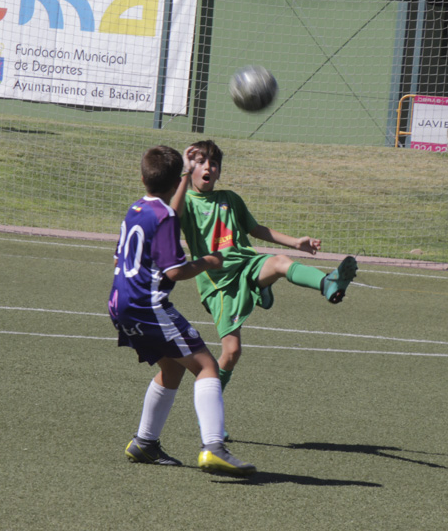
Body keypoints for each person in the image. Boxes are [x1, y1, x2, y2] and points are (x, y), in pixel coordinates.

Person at [108, 145, 255, 477]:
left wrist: (185, 174)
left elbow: (121, 256)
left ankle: (145, 442)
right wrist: (209, 261)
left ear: (143, 176)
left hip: (120, 302)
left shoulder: (136, 209)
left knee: (171, 369)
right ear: (178, 183)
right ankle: (214, 448)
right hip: (148, 305)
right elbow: (175, 271)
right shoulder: (165, 219)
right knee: (206, 366)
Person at [169, 140, 357, 396]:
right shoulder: (188, 201)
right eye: (201, 162)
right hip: (219, 284)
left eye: (213, 163)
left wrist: (296, 242)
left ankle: (327, 283)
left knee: (280, 261)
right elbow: (171, 215)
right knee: (232, 352)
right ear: (192, 168)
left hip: (246, 263)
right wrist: (183, 170)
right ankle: (212, 405)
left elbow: (256, 230)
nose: (208, 167)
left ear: (219, 171)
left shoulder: (230, 198)